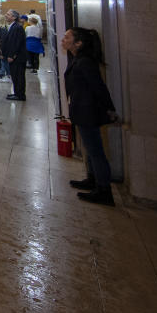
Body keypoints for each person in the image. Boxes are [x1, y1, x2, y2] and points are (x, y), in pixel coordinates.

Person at [63, 27, 118, 205]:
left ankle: (104, 190)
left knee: (95, 151)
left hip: (88, 111)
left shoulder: (85, 61)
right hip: (81, 109)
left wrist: (110, 109)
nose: (63, 39)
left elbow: (98, 87)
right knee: (90, 147)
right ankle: (93, 179)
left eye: (67, 37)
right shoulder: (77, 58)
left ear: (78, 43)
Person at [2, 9, 27, 100]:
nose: (6, 15)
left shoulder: (17, 27)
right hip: (16, 57)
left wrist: (12, 55)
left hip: (18, 58)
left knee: (18, 76)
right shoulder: (14, 26)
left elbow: (16, 43)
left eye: (8, 14)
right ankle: (17, 93)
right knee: (15, 76)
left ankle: (20, 95)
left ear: (14, 17)